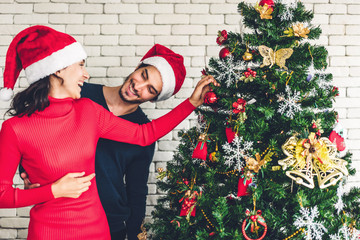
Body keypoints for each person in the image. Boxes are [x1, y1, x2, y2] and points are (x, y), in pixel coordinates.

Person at [0, 25, 217, 240]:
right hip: (47, 232)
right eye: (81, 65)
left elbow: (144, 135)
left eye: (151, 89)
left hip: (98, 230)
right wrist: (49, 190)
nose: (86, 74)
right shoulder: (15, 128)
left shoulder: (88, 110)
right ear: (58, 68)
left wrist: (191, 103)